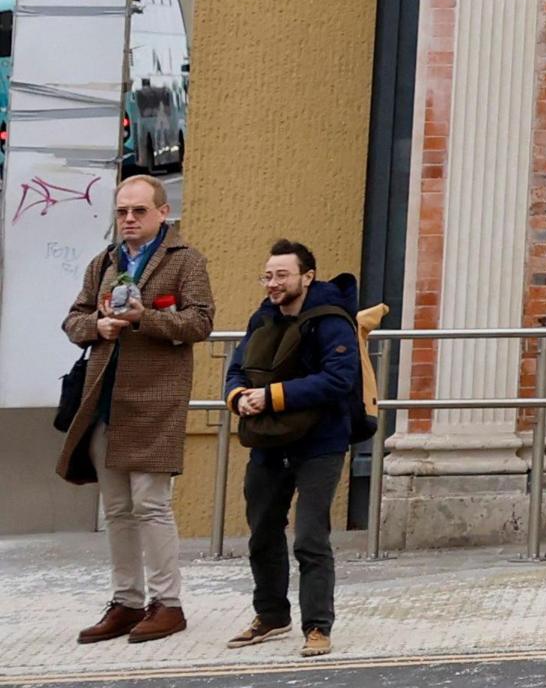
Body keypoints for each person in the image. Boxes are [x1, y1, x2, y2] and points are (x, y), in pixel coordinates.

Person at [57, 174, 214, 645]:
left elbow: (201, 321)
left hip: (155, 400)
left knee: (151, 504)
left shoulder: (184, 261)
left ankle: (168, 603)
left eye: (138, 211)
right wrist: (98, 326)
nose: (128, 219)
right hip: (103, 399)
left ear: (163, 213)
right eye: (122, 211)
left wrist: (145, 317)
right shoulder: (104, 261)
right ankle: (126, 601)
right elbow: (73, 317)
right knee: (118, 508)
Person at [221, 240, 359, 657]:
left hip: (321, 442)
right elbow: (236, 369)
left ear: (307, 277)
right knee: (262, 531)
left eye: (282, 275)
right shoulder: (261, 318)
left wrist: (272, 396)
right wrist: (239, 396)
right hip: (268, 442)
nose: (273, 283)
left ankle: (318, 627)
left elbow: (340, 379)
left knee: (310, 538)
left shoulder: (332, 320)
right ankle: (271, 615)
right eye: (268, 275)